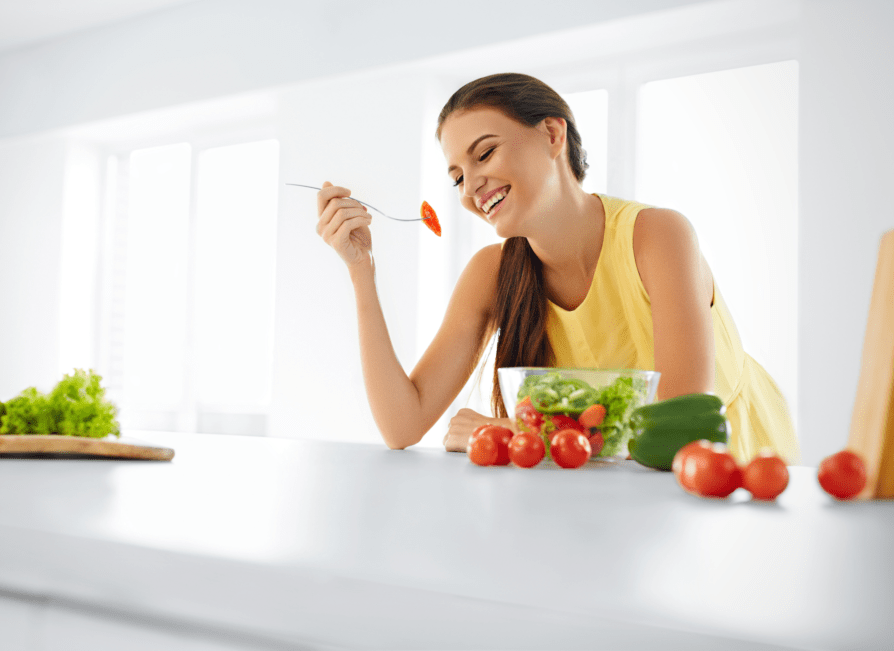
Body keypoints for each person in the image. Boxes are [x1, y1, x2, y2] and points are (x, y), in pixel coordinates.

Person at [314, 72, 800, 464]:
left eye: (484, 153)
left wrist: (520, 432)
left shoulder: (658, 236)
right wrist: (362, 272)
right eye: (458, 175)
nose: (470, 188)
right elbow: (402, 424)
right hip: (606, 491)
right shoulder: (492, 272)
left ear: (552, 134)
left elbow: (676, 430)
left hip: (728, 470)